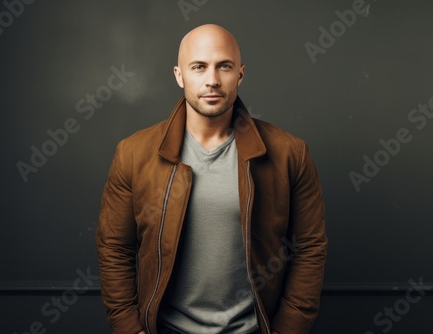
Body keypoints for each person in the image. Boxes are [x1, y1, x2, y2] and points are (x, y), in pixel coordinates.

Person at [96, 24, 327, 334]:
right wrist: (129, 328)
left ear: (241, 74)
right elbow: (114, 247)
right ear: (179, 75)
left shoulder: (289, 153)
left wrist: (290, 327)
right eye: (199, 67)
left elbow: (311, 247)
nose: (212, 80)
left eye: (224, 66)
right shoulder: (134, 154)